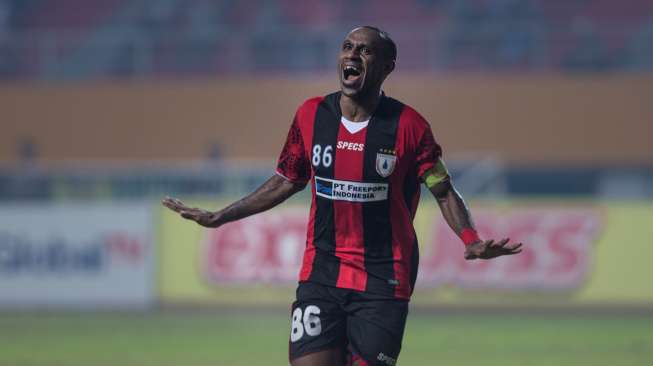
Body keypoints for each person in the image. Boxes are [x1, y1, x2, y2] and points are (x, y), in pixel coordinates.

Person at [163, 26, 522, 366]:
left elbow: (443, 191)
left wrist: (471, 240)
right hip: (321, 274)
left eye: (365, 50)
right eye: (348, 47)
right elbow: (286, 180)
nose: (353, 55)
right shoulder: (311, 115)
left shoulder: (410, 127)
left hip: (384, 281)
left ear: (386, 67)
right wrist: (221, 216)